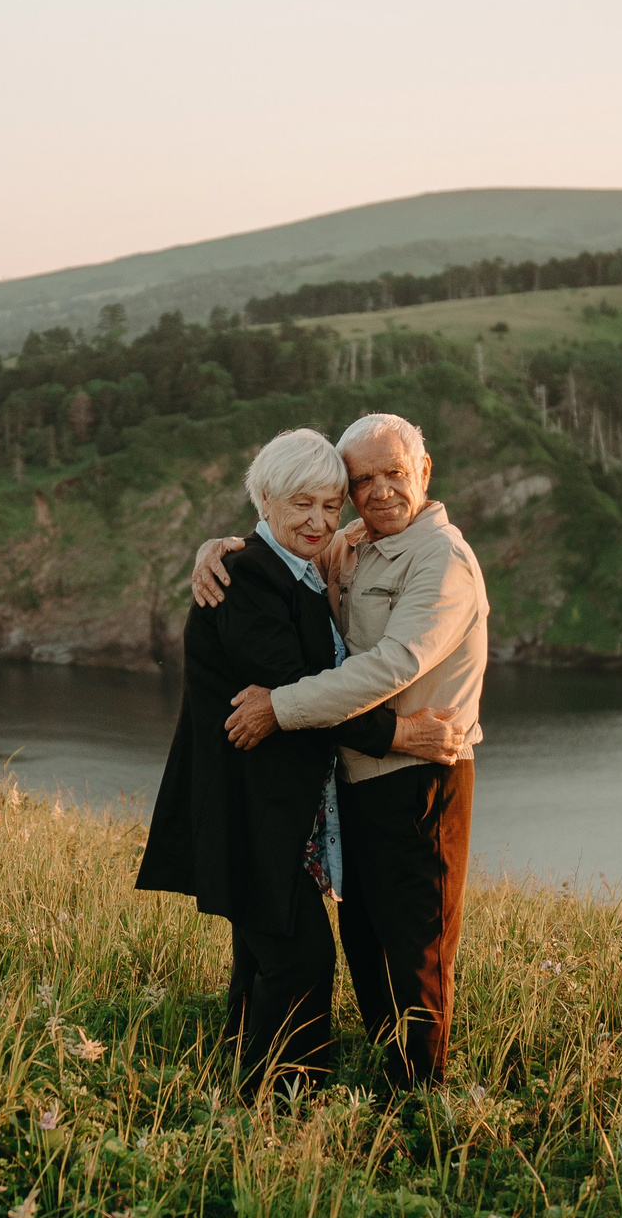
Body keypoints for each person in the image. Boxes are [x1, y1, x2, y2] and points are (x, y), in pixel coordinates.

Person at [136, 428, 459, 1095]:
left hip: (272, 810)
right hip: (249, 808)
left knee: (264, 951)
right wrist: (399, 734)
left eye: (331, 504)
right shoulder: (250, 580)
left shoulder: (298, 568)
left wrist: (221, 541)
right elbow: (297, 686)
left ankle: (244, 1077)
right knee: (300, 956)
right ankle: (282, 1098)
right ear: (266, 500)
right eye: (302, 504)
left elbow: (308, 685)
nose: (320, 519)